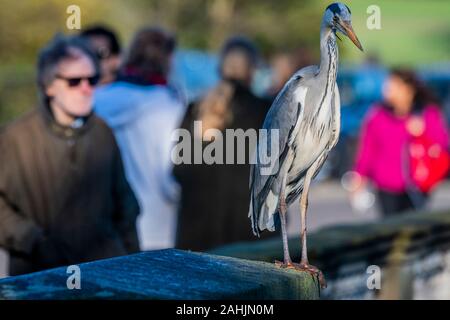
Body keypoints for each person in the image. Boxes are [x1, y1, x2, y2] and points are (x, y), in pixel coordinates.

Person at [0, 35, 140, 276]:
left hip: (103, 273)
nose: (86, 88)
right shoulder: (16, 138)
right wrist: (34, 241)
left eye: (92, 79)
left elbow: (125, 205)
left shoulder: (103, 132)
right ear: (49, 86)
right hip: (39, 277)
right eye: (74, 81)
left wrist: (133, 265)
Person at [174, 36, 274, 251]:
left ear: (220, 68)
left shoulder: (195, 109)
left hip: (197, 240)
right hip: (248, 242)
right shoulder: (265, 112)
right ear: (252, 70)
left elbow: (178, 170)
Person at [95, 27, 185, 250]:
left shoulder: (97, 100)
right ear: (168, 58)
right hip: (159, 226)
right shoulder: (170, 105)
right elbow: (171, 174)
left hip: (109, 225)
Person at [351, 68, 449, 216]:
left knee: (415, 228)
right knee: (391, 228)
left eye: (393, 86)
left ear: (408, 90)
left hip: (418, 185)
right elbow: (368, 149)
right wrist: (359, 176)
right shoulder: (378, 115)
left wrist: (422, 134)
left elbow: (442, 146)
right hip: (386, 185)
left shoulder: (428, 113)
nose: (387, 90)